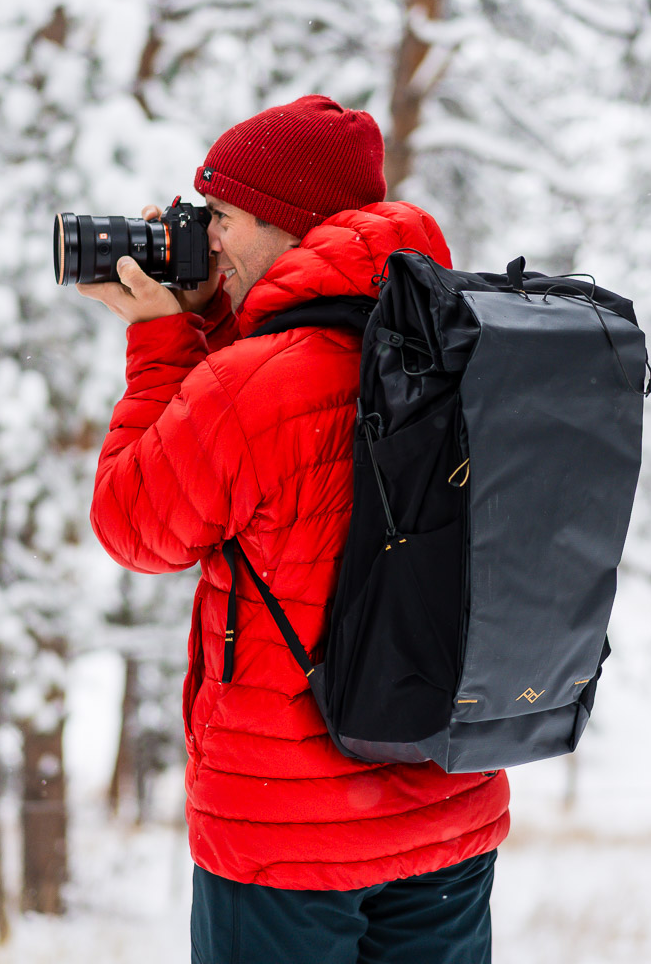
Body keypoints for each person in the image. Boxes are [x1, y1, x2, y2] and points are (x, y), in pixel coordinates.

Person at [83, 95, 509, 964]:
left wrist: (165, 341)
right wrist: (212, 322)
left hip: (287, 837)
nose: (208, 241)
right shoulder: (465, 349)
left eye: (224, 219)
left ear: (293, 224)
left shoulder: (253, 385)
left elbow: (136, 524)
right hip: (447, 818)